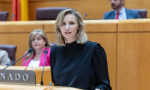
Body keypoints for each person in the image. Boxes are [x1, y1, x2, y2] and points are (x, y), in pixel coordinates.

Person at [50, 8, 111, 90]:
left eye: (71, 23)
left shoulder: (94, 49)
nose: (67, 28)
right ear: (59, 27)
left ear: (79, 27)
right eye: (63, 24)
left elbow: (104, 85)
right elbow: (56, 83)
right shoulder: (55, 51)